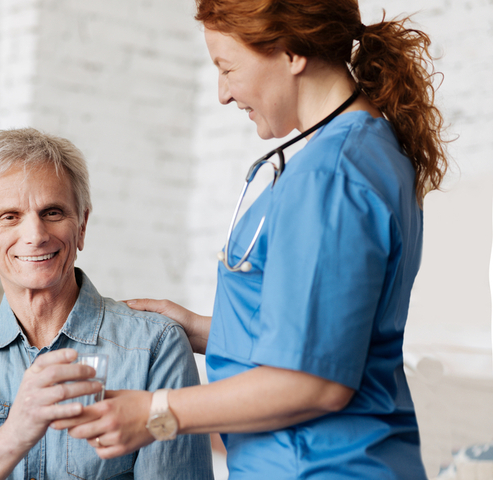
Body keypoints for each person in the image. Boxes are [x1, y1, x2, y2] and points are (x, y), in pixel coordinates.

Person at [55, 1, 449, 478]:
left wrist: (154, 413)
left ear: (290, 52)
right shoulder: (367, 152)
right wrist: (199, 327)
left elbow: (314, 383)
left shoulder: (330, 176)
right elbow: (330, 334)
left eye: (228, 68)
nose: (223, 93)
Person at [0, 128, 214, 480]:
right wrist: (14, 435)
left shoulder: (155, 346)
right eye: (10, 216)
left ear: (82, 226)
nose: (35, 235)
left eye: (53, 212)